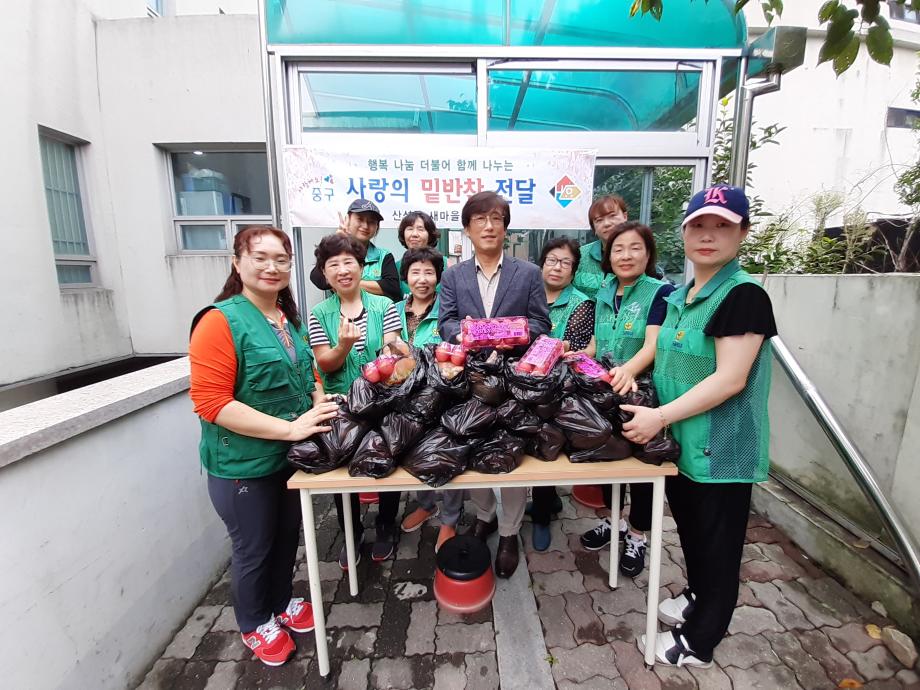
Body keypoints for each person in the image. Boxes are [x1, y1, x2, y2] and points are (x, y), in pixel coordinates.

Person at [621, 186, 777, 667]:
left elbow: (730, 380)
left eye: (723, 226)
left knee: (719, 545)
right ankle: (697, 595)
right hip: (681, 447)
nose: (708, 235)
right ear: (685, 232)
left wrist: (659, 417)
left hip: (721, 448)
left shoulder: (743, 296)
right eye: (699, 225)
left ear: (742, 233)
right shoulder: (684, 296)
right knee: (691, 532)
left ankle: (701, 640)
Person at [189, 226, 340, 667]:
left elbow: (308, 371)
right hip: (242, 465)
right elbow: (212, 402)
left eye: (281, 259)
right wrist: (292, 429)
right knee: (253, 547)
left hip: (287, 461)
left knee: (286, 537)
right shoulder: (219, 321)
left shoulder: (286, 318)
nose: (272, 267)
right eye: (260, 257)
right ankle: (255, 622)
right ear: (238, 263)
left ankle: (280, 602)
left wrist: (317, 400)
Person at [438, 191, 552, 578]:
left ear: (505, 226)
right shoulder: (454, 274)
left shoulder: (528, 274)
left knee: (512, 454)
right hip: (471, 378)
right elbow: (446, 321)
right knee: (473, 448)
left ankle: (509, 532)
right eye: (480, 219)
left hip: (515, 380)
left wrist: (515, 335)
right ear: (467, 228)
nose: (489, 226)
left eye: (496, 219)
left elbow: (541, 324)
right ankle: (484, 516)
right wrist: (469, 335)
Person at [578, 221, 676, 578]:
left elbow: (653, 344)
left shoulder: (659, 292)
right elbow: (596, 343)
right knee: (607, 460)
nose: (625, 255)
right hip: (604, 392)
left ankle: (637, 535)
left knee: (643, 470)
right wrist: (576, 356)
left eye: (635, 248)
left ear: (648, 254)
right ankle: (613, 522)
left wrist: (629, 372)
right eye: (618, 249)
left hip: (642, 393)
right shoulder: (605, 292)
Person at [308, 233, 405, 568]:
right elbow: (324, 363)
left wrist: (392, 353)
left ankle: (386, 525)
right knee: (342, 471)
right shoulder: (319, 313)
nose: (342, 269)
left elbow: (392, 344)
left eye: (349, 262)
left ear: (361, 266)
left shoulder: (384, 305)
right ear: (324, 272)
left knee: (387, 462)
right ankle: (350, 530)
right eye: (333, 264)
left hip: (383, 401)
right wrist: (344, 347)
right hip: (343, 406)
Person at [394, 247, 465, 552]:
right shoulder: (393, 311)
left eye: (429, 272)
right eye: (415, 272)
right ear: (405, 276)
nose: (422, 279)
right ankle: (426, 504)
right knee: (412, 453)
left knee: (446, 456)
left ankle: (450, 518)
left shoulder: (448, 312)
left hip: (442, 399)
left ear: (438, 277)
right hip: (405, 400)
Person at [528, 237, 595, 552]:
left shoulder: (581, 303)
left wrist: (544, 345)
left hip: (561, 387)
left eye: (565, 263)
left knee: (548, 443)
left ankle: (542, 514)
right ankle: (549, 500)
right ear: (542, 263)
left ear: (574, 270)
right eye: (552, 260)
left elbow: (576, 346)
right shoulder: (529, 295)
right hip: (527, 382)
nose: (557, 267)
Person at [309, 198, 403, 303]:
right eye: (360, 219)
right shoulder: (332, 252)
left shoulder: (384, 255)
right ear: (347, 219)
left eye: (371, 222)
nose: (365, 226)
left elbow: (392, 288)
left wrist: (343, 282)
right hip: (341, 316)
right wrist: (335, 243)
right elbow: (319, 281)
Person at [571, 194, 628, 299]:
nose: (606, 223)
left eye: (612, 216)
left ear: (625, 217)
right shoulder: (580, 255)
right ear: (594, 229)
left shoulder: (638, 254)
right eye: (599, 220)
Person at [396, 211, 440, 297]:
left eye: (420, 229)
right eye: (410, 229)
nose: (414, 234)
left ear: (430, 235)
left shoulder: (447, 265)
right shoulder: (395, 267)